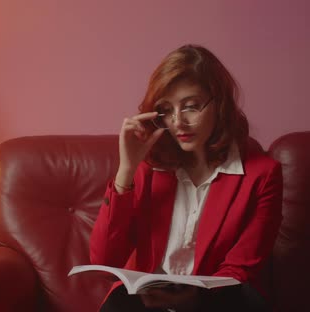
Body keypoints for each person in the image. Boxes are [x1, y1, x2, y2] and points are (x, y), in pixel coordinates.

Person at [89, 44, 283, 312]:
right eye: (167, 110)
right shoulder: (148, 168)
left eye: (191, 106)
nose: (177, 121)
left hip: (217, 299)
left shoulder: (263, 175)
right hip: (145, 301)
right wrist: (126, 170)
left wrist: (194, 300)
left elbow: (240, 268)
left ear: (220, 104)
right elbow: (105, 261)